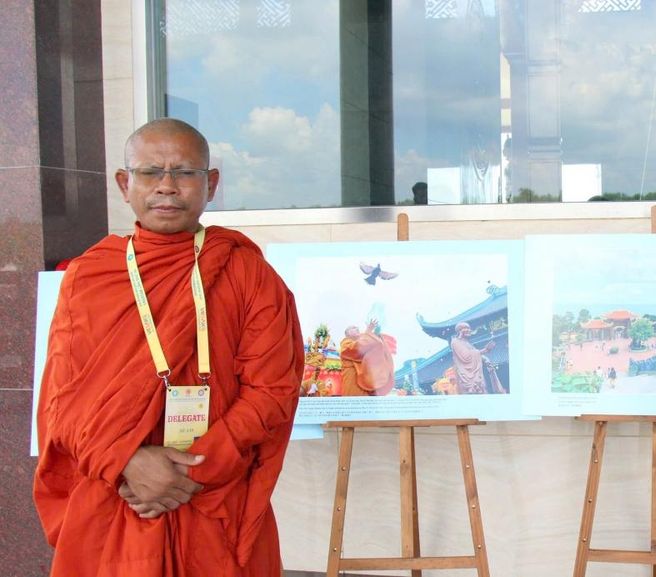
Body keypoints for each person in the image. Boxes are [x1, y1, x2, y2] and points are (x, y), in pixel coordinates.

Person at [33, 118, 305, 576]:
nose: (167, 186)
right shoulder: (90, 276)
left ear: (211, 183)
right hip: (119, 495)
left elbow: (272, 390)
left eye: (183, 172)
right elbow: (63, 399)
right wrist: (126, 462)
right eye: (149, 172)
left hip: (215, 496)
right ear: (124, 184)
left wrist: (188, 471)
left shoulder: (248, 274)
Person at [339, 320, 397, 396]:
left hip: (364, 379)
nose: (357, 328)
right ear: (347, 333)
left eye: (357, 328)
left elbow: (372, 350)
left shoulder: (362, 340)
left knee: (365, 400)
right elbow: (358, 348)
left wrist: (376, 334)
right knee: (354, 400)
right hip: (352, 377)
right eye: (353, 328)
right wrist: (368, 331)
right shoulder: (345, 344)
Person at [450, 321, 499, 394]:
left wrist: (485, 358)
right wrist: (484, 350)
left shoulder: (468, 343)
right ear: (459, 331)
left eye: (469, 328)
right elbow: (466, 356)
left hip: (476, 375)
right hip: (466, 376)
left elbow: (476, 353)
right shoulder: (455, 342)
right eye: (466, 328)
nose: (469, 330)